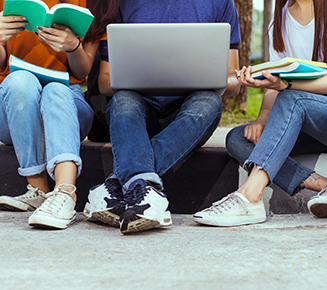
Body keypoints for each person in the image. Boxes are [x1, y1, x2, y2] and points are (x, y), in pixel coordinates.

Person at [82, 0, 241, 234]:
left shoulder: (220, 3)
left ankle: (119, 182)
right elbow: (105, 80)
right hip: (141, 113)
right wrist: (133, 79)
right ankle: (144, 196)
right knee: (123, 101)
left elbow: (233, 79)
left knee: (209, 103)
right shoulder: (123, 4)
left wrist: (212, 79)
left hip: (188, 116)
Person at [193, 0, 327, 227]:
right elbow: (274, 85)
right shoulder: (280, 17)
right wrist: (262, 119)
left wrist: (285, 85)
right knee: (238, 138)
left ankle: (250, 196)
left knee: (291, 98)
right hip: (308, 121)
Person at [0, 0, 119, 229]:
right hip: (13, 104)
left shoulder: (91, 3)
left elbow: (82, 71)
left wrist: (73, 46)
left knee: (56, 89)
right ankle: (39, 191)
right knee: (20, 80)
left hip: (66, 96)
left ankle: (65, 193)